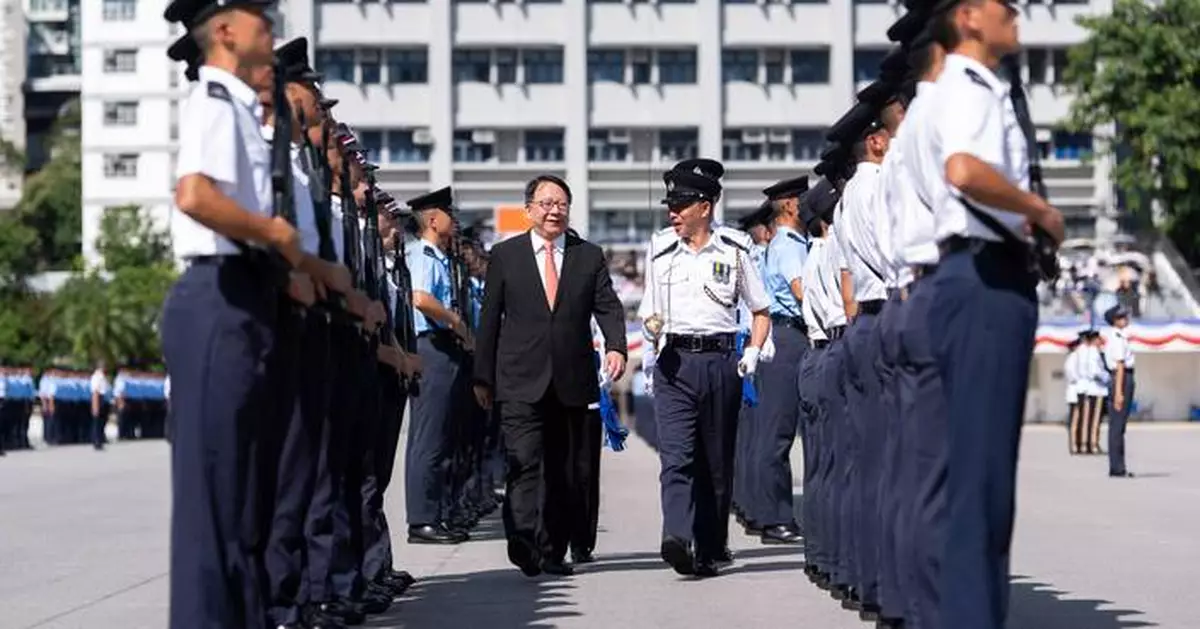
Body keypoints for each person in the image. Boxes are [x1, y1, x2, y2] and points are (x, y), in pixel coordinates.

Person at [159, 1, 302, 628]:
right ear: (224, 31)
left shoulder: (238, 105)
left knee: (241, 501)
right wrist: (272, 232)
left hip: (243, 296)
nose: (270, 30)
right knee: (212, 505)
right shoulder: (214, 99)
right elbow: (194, 195)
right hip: (217, 297)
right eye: (259, 20)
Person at [924, 1, 1066, 627]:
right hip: (984, 277)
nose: (1016, 15)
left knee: (984, 483)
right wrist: (1040, 210)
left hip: (983, 272)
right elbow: (964, 170)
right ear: (969, 17)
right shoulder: (970, 83)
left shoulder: (977, 84)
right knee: (981, 484)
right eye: (1004, 7)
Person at [473, 174, 627, 577]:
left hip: (570, 380)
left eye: (561, 204)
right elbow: (489, 319)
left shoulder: (587, 255)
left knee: (562, 469)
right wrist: (482, 377)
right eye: (546, 203)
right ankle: (524, 539)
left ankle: (552, 550)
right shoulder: (505, 256)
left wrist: (616, 346)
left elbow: (608, 306)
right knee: (524, 461)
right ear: (529, 210)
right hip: (518, 378)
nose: (554, 211)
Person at [638, 158, 770, 578]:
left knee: (715, 461)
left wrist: (752, 351)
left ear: (705, 207)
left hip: (720, 361)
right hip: (674, 362)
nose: (673, 213)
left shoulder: (734, 249)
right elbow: (650, 310)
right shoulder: (659, 250)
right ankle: (677, 536)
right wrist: (650, 348)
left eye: (681, 205)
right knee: (676, 456)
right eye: (670, 206)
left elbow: (760, 309)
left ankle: (710, 546)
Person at [405, 186, 473, 545]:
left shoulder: (439, 256)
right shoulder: (423, 254)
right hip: (430, 344)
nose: (454, 220)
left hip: (443, 346)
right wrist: (455, 321)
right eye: (449, 214)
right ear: (433, 219)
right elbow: (420, 298)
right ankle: (422, 518)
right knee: (428, 437)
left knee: (442, 436)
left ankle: (435, 514)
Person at [754, 175, 811, 546]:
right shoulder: (789, 245)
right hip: (789, 335)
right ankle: (775, 518)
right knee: (778, 433)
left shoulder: (790, 242)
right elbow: (801, 291)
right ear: (790, 205)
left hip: (788, 334)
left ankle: (772, 514)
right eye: (803, 199)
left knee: (776, 431)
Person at [1103, 305, 1135, 477]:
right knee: (1117, 426)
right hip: (1121, 379)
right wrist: (1118, 393)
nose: (1125, 319)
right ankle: (1117, 468)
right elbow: (1120, 366)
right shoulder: (1117, 338)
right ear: (1114, 321)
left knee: (1117, 425)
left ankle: (1117, 466)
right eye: (1121, 317)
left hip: (1120, 378)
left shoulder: (1117, 336)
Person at [89, 361, 111, 452]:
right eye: (104, 366)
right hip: (99, 400)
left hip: (105, 400)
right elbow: (95, 393)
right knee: (97, 423)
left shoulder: (103, 377)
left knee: (102, 422)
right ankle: (96, 442)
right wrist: (95, 406)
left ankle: (101, 440)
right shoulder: (96, 377)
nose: (106, 368)